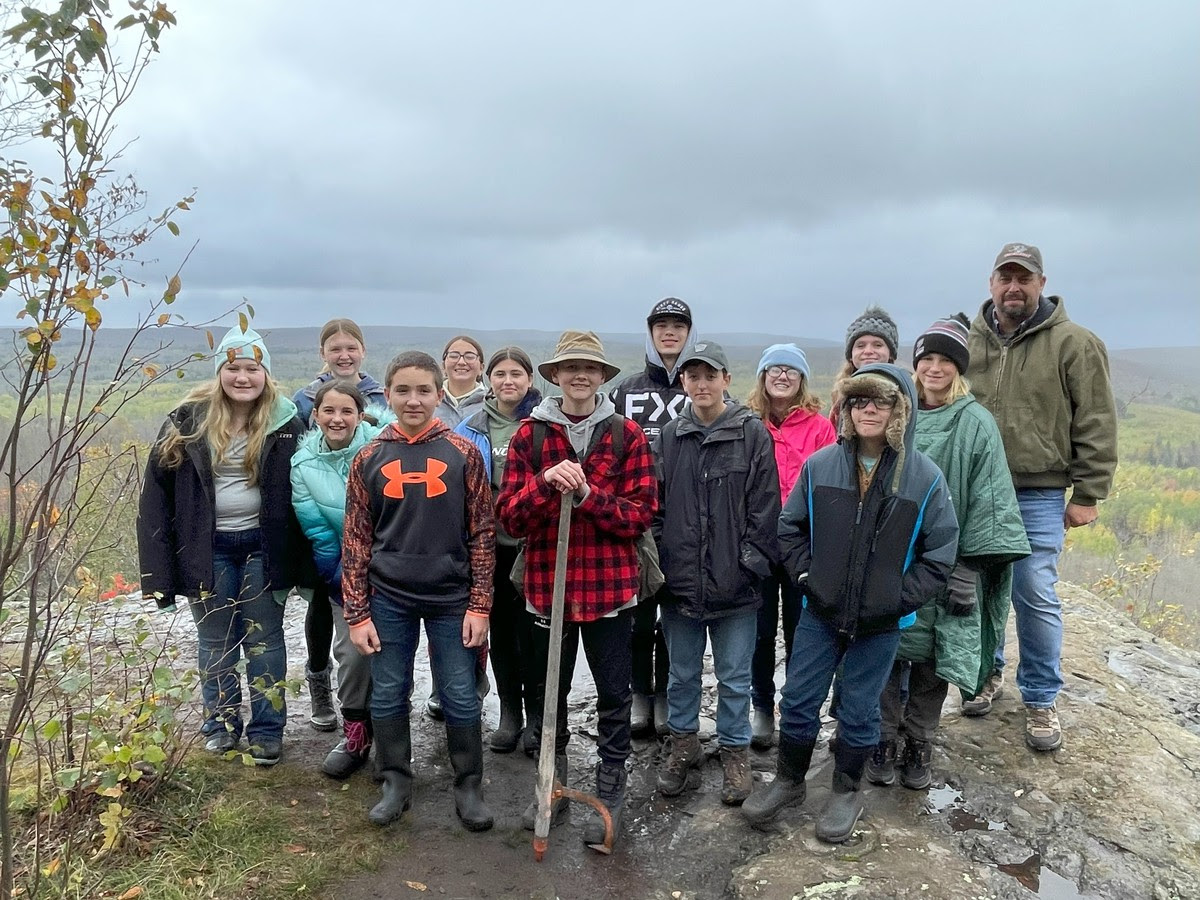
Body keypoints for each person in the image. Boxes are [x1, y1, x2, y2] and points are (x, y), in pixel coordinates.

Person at [741, 364, 958, 843]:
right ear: (848, 409)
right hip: (821, 611)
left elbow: (941, 551)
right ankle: (790, 780)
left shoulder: (923, 478)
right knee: (798, 698)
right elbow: (790, 528)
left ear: (902, 411)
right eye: (860, 401)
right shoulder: (821, 466)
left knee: (860, 709)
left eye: (881, 401)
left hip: (882, 623)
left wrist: (897, 599)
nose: (869, 410)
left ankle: (846, 790)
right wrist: (806, 577)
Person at [498, 330, 657, 852]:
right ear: (556, 376)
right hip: (548, 588)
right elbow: (510, 519)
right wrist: (545, 484)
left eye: (590, 368)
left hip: (611, 589)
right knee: (548, 693)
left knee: (614, 694)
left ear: (603, 377)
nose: (580, 376)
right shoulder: (531, 438)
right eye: (570, 368)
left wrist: (587, 495)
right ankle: (551, 778)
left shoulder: (627, 435)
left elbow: (638, 517)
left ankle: (611, 786)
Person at [865, 316, 1029, 791]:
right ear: (915, 365)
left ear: (959, 368)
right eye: (927, 359)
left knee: (933, 657)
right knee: (888, 650)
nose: (934, 368)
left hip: (947, 561)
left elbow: (990, 497)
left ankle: (919, 742)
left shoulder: (976, 423)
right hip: (891, 558)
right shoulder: (898, 414)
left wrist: (969, 567)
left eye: (945, 360)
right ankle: (882, 739)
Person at [965, 243, 1117, 751]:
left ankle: (1040, 696)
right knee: (981, 592)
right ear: (990, 283)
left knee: (1033, 593)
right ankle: (985, 676)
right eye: (1005, 277)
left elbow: (1096, 419)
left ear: (1041, 283)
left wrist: (1089, 492)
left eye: (1023, 278)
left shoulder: (1075, 342)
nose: (1014, 286)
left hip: (1039, 491)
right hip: (975, 489)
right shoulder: (967, 340)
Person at [138, 325, 311, 766]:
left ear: (265, 373)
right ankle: (220, 724)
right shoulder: (186, 421)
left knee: (264, 640)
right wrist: (157, 573)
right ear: (220, 372)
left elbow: (309, 487)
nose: (243, 377)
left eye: (252, 368)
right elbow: (155, 499)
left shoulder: (287, 420)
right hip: (205, 548)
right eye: (233, 368)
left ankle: (267, 729)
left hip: (263, 548)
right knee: (216, 638)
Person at [341, 351, 496, 831]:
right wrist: (357, 613)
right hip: (389, 597)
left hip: (453, 597)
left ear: (438, 394)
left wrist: (480, 605)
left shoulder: (463, 452)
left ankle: (468, 782)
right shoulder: (368, 456)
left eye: (424, 390)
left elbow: (483, 534)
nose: (413, 400)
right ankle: (395, 780)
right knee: (388, 691)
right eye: (403, 391)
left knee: (460, 694)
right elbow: (356, 539)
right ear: (386, 395)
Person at [653, 341, 780, 806]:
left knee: (734, 676)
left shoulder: (751, 433)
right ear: (682, 382)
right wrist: (664, 566)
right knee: (682, 674)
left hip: (737, 586)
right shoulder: (669, 436)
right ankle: (683, 744)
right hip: (680, 583)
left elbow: (767, 510)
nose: (701, 384)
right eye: (692, 376)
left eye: (710, 375)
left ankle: (734, 749)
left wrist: (748, 566)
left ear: (727, 379)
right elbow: (656, 507)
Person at [291, 380, 394, 778]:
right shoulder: (303, 466)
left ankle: (391, 736)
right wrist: (344, 581)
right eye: (328, 411)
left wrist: (385, 571)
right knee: (352, 654)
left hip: (393, 571)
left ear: (360, 414)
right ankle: (356, 734)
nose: (337, 419)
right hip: (342, 575)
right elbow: (318, 530)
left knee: (392, 653)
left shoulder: (384, 448)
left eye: (346, 411)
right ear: (315, 416)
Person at [610, 297, 698, 737]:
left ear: (689, 333)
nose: (669, 333)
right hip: (635, 522)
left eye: (678, 326)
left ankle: (665, 696)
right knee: (639, 617)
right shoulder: (625, 391)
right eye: (661, 325)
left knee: (677, 617)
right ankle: (639, 696)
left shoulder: (699, 387)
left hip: (685, 520)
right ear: (650, 332)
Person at [744, 343, 836, 750]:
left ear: (802, 381)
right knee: (760, 633)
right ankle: (761, 707)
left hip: (805, 545)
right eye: (774, 370)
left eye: (791, 371)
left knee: (802, 632)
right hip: (759, 545)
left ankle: (798, 707)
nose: (782, 376)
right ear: (763, 377)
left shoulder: (820, 428)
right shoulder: (747, 424)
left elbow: (832, 487)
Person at [454, 347, 544, 753]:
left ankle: (539, 714)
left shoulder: (546, 421)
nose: (509, 381)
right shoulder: (471, 427)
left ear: (530, 379)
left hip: (536, 545)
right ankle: (510, 713)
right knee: (503, 632)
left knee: (536, 634)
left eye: (517, 374)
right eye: (500, 374)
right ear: (489, 380)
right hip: (492, 546)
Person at [829, 306, 899, 429]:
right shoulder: (840, 392)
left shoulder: (903, 389)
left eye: (877, 345)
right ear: (850, 355)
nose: (868, 351)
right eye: (860, 346)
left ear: (891, 353)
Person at [433, 335, 487, 427]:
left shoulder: (491, 405)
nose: (461, 362)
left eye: (469, 357)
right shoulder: (430, 401)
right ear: (443, 366)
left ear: (481, 368)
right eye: (454, 356)